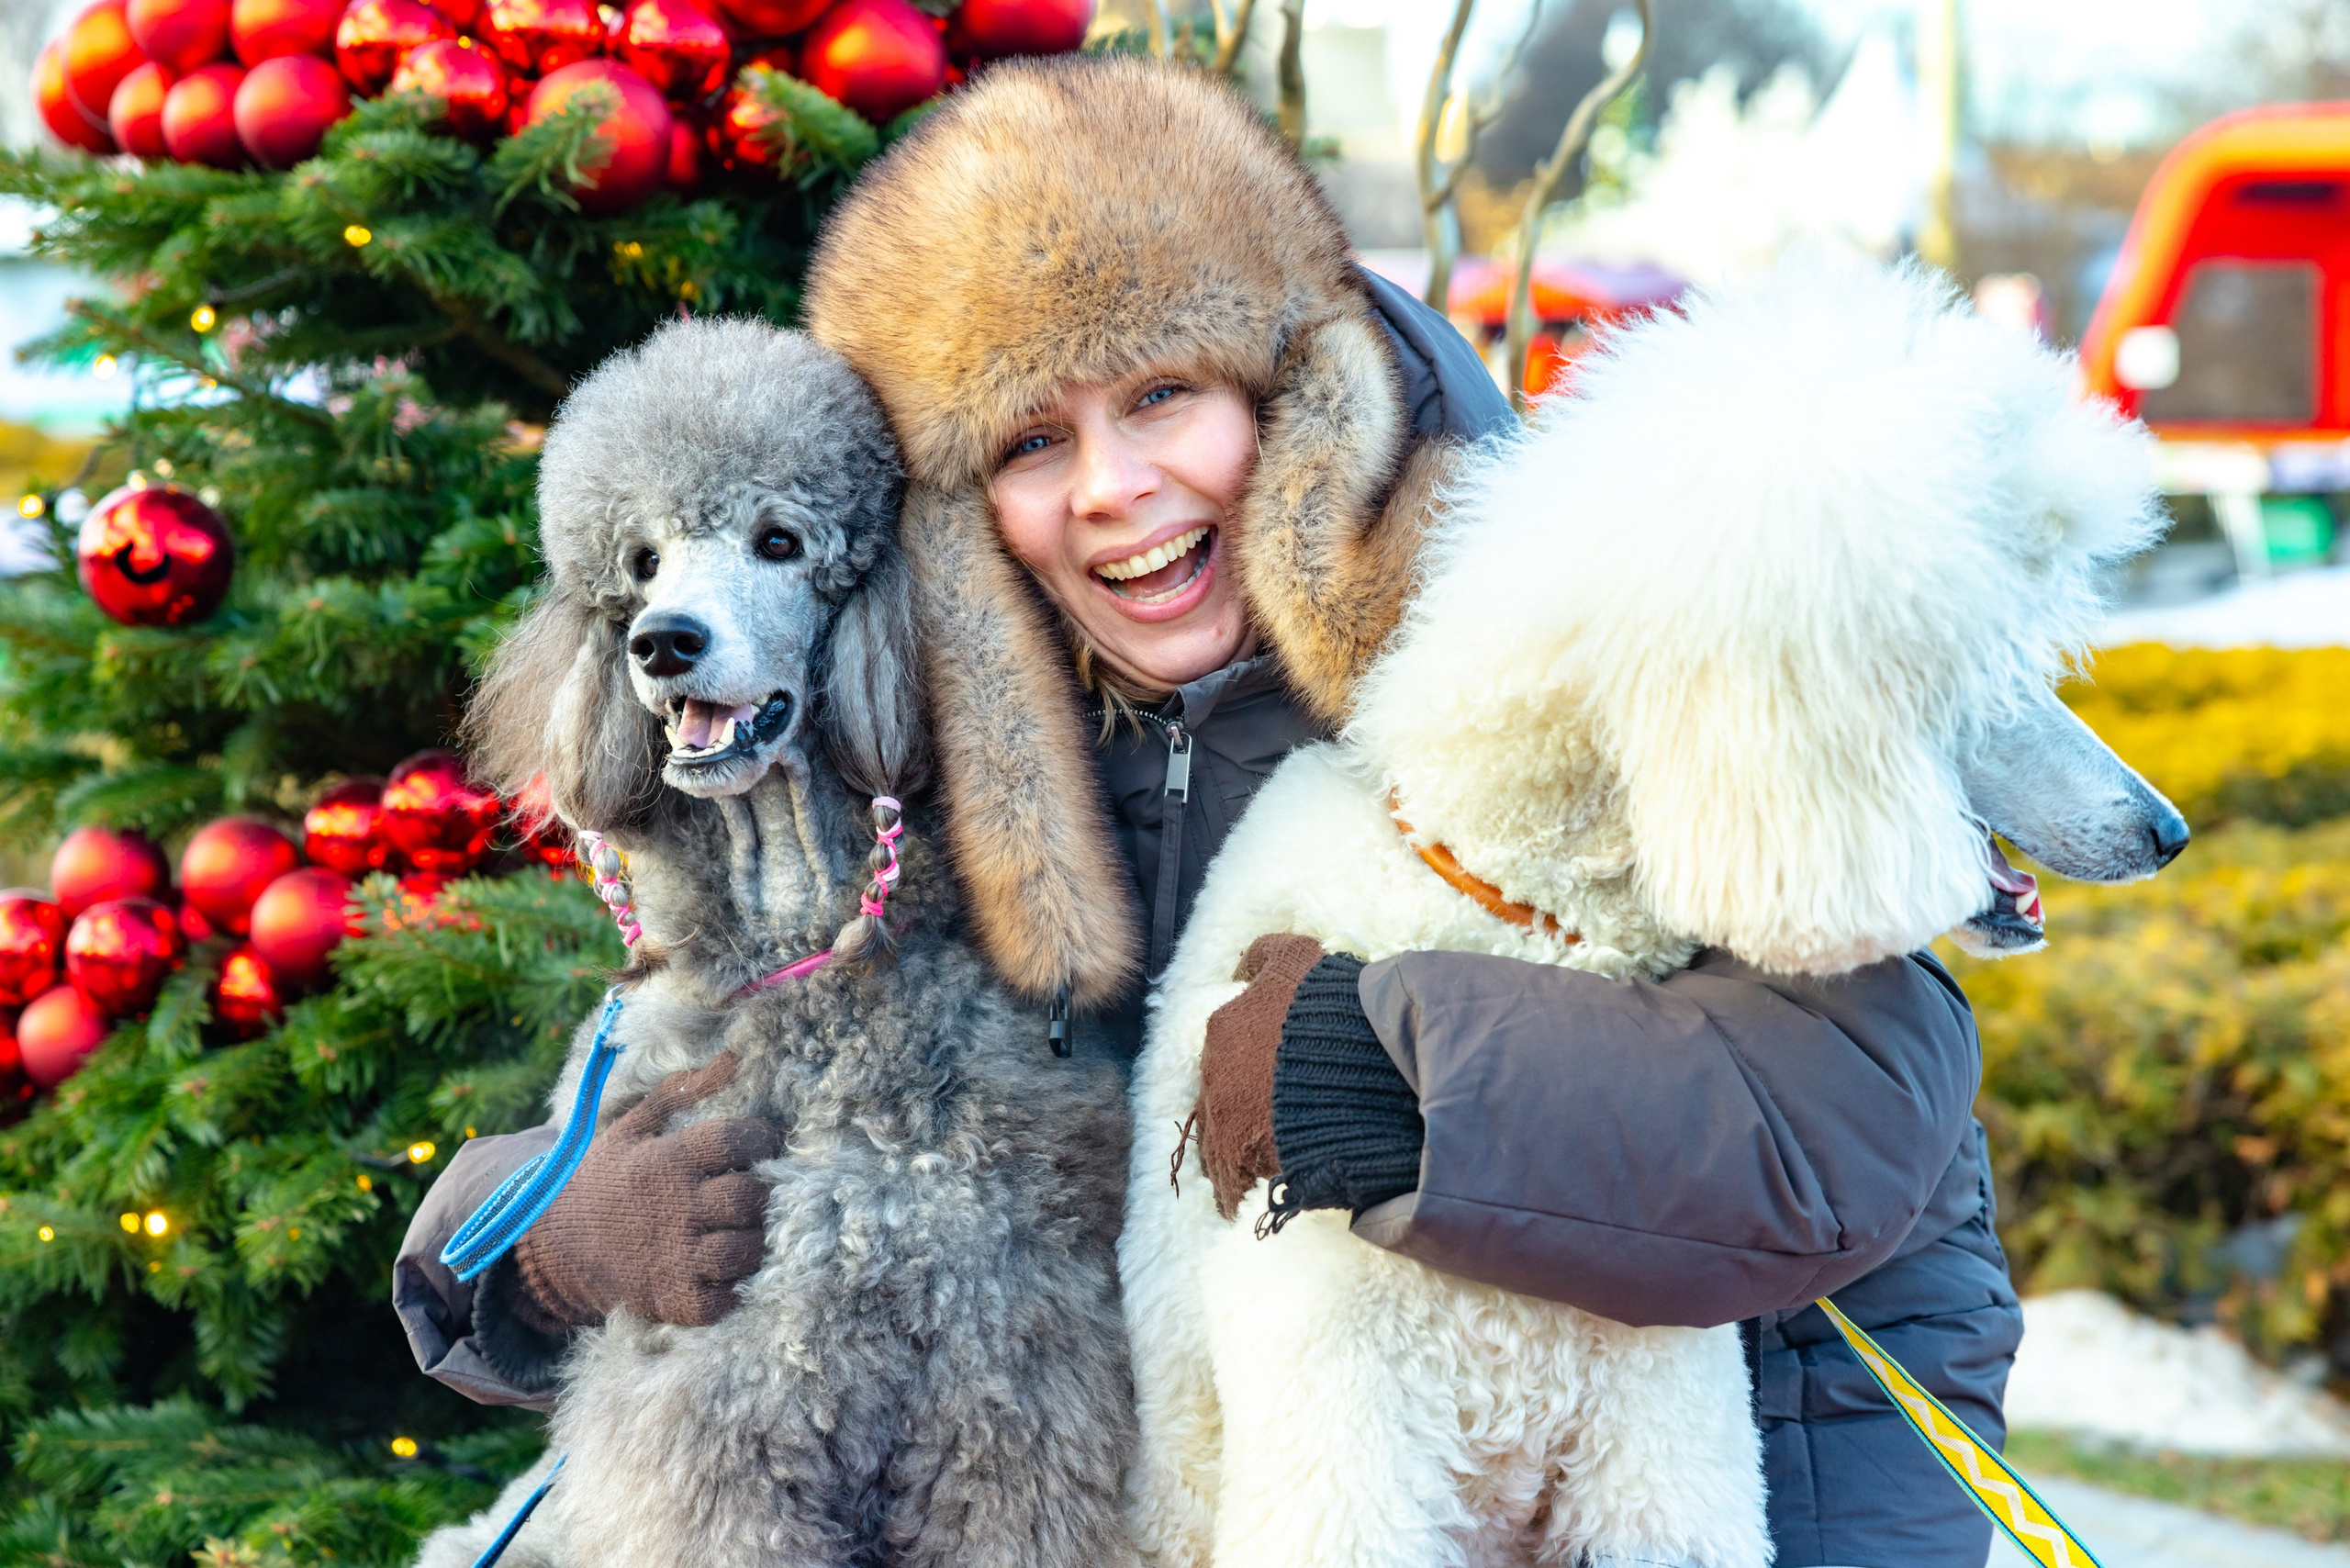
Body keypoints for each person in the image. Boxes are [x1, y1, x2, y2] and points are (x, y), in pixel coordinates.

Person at [397, 56, 2017, 1568]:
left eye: (1164, 393)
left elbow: (1865, 1107)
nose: (1109, 486)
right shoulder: (946, 752)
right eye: (1034, 437)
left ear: (1292, 398)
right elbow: (702, 1045)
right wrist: (535, 1249)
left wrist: (1397, 1073)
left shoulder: (1563, 633)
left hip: (1753, 1495)